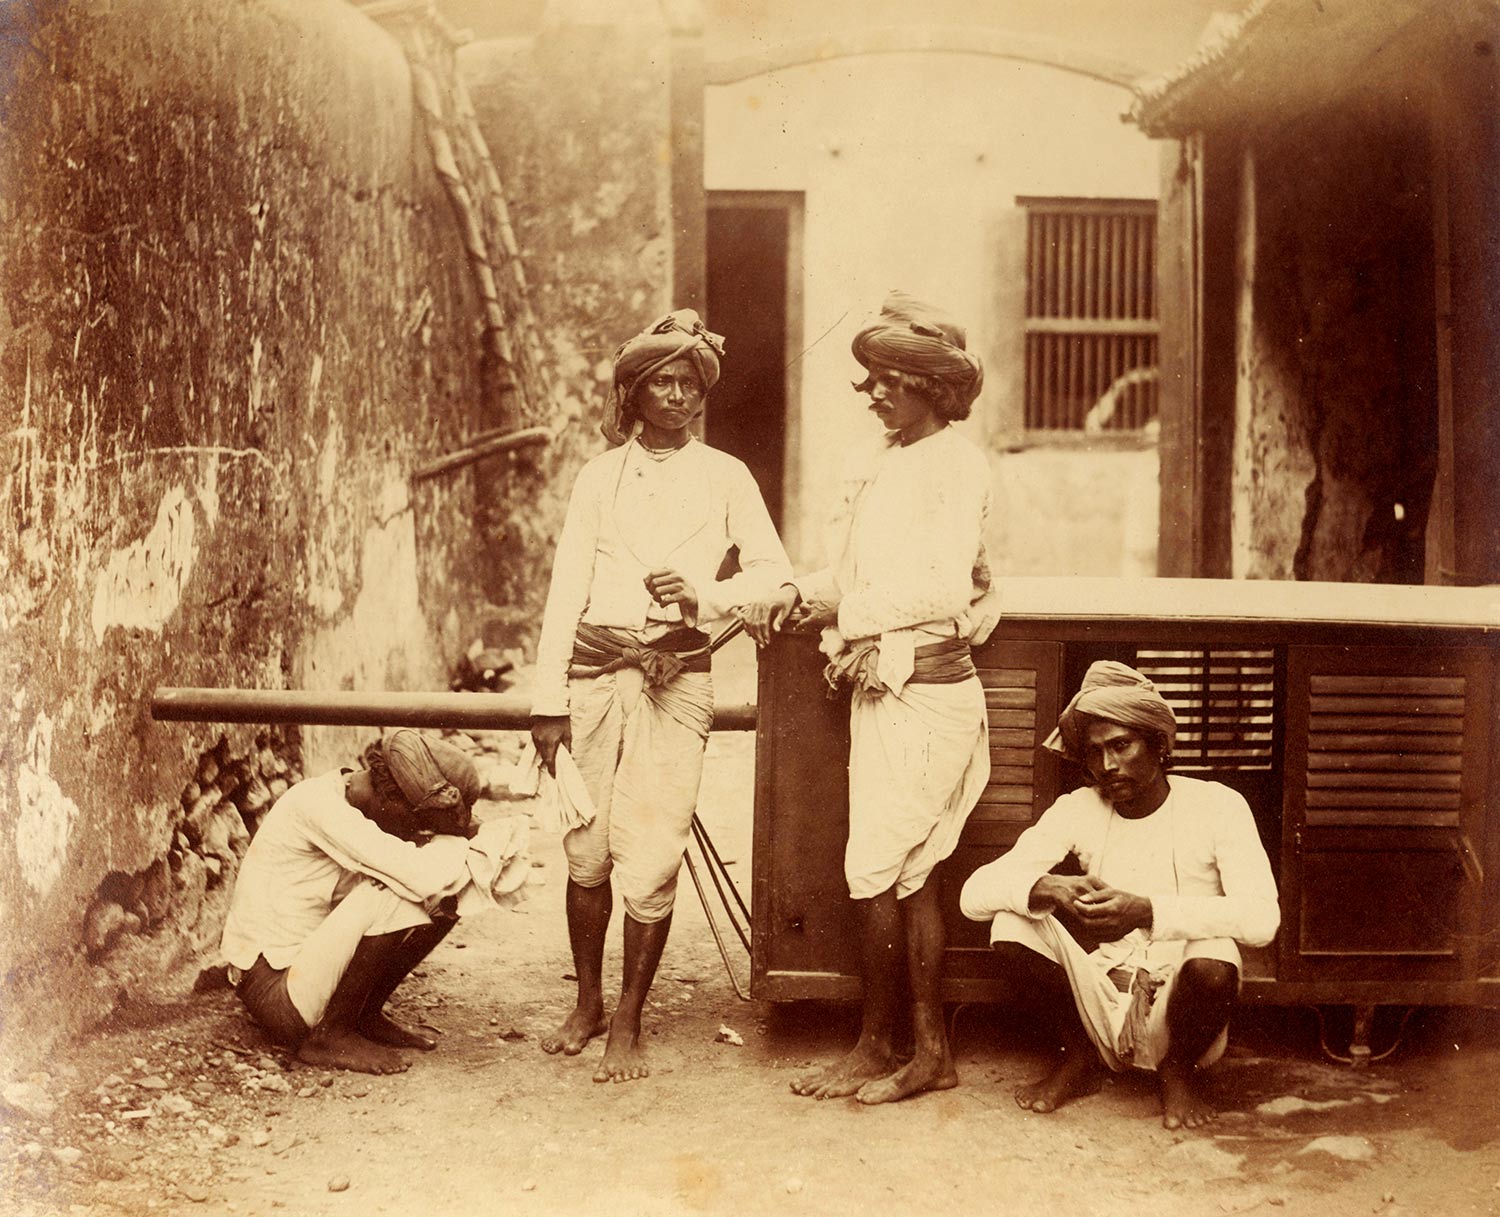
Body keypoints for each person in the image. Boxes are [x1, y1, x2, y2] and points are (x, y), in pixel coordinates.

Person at [741, 291, 997, 1104]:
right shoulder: (888, 463)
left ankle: (889, 1045)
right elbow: (853, 581)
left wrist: (843, 616)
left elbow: (942, 585)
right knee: (898, 871)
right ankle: (914, 1048)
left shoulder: (956, 461)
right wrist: (784, 592)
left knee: (889, 867)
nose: (878, 393)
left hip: (929, 694)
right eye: (873, 380)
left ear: (934, 386)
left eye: (894, 380)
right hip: (885, 690)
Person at [529, 309, 792, 1083]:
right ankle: (586, 1001)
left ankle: (630, 1019)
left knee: (652, 855)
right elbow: (563, 592)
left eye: (688, 383)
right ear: (633, 393)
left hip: (677, 681)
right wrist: (547, 700)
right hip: (591, 678)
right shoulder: (596, 478)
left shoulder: (727, 476)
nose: (676, 396)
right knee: (586, 848)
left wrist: (704, 595)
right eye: (660, 383)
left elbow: (775, 577)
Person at [959, 661, 1281, 1129]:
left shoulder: (1218, 804)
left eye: (1121, 746)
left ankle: (1179, 1070)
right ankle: (1081, 1055)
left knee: (1216, 956)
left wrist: (1147, 911)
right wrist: (1046, 886)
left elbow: (1262, 920)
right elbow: (973, 895)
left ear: (1160, 744)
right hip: (1102, 998)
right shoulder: (1079, 808)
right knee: (1011, 922)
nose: (1107, 765)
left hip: (1180, 1003)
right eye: (1094, 752)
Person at [220, 729, 528, 1075]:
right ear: (391, 800)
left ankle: (363, 1016)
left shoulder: (358, 797)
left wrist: (465, 833)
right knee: (397, 891)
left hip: (301, 976)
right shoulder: (321, 807)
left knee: (450, 894)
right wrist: (476, 842)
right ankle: (329, 1036)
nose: (417, 831)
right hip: (275, 994)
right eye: (416, 821)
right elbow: (421, 876)